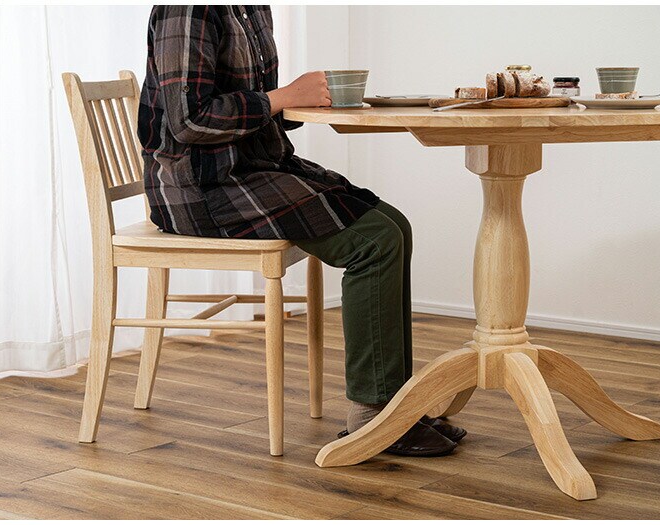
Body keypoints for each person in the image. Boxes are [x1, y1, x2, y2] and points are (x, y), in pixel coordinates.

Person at [138, 5, 466, 456]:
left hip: (252, 169)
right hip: (201, 190)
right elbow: (190, 120)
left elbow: (252, 104)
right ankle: (373, 417)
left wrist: (300, 101)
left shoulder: (252, 9)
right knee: (375, 242)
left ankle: (395, 404)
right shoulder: (190, 9)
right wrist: (284, 96)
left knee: (395, 227)